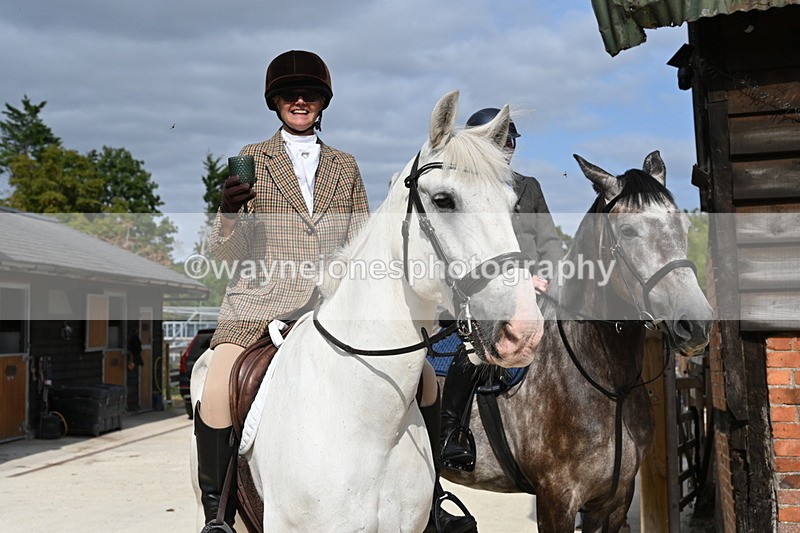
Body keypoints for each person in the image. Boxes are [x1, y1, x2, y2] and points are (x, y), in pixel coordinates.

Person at [194, 50, 369, 533]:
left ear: (322, 103)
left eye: (309, 94)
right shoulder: (250, 160)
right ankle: (217, 514)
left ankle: (432, 494)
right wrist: (229, 212)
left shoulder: (347, 166)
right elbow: (227, 257)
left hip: (332, 304)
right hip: (259, 300)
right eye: (290, 94)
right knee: (216, 385)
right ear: (274, 102)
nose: (300, 100)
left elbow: (361, 240)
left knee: (423, 380)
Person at [439, 108, 563, 471]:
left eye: (509, 138)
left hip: (534, 292)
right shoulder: (466, 187)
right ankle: (451, 431)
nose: (504, 145)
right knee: (473, 351)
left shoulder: (530, 187)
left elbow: (549, 241)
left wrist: (547, 276)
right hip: (481, 294)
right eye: (495, 138)